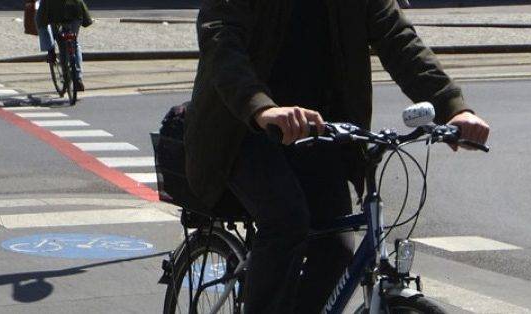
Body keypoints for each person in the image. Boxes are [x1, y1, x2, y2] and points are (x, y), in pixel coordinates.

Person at [184, 0, 490, 313]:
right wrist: (262, 107)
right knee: (287, 220)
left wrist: (455, 108)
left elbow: (399, 40)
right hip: (242, 130)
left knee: (338, 245)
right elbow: (221, 40)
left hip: (319, 131)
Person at [35, 0, 92, 91]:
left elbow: (41, 20)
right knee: (74, 43)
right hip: (75, 9)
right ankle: (78, 78)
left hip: (54, 9)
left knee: (41, 22)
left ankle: (50, 50)